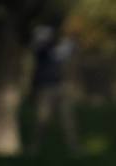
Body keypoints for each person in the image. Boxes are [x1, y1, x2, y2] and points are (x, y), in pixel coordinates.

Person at [27, 25, 78, 154]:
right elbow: (44, 49)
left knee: (67, 121)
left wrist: (70, 41)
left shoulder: (55, 51)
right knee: (42, 121)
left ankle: (73, 148)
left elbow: (69, 49)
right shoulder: (40, 50)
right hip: (45, 89)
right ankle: (35, 148)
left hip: (60, 87)